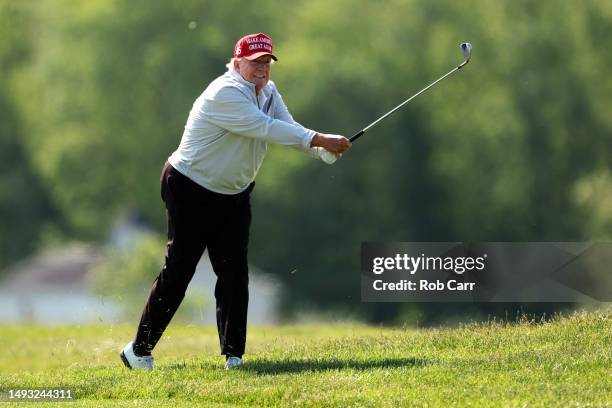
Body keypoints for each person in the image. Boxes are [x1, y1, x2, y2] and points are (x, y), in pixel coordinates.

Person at [120, 33, 351, 370]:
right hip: (189, 188)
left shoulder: (268, 92)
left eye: (267, 63)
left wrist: (319, 149)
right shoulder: (225, 93)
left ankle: (234, 357)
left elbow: (288, 127)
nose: (262, 69)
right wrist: (319, 139)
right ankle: (138, 351)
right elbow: (265, 128)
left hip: (233, 193)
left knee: (233, 272)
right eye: (255, 62)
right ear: (238, 61)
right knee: (179, 271)